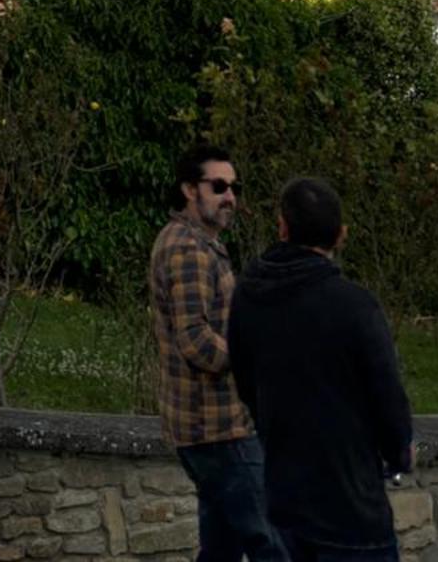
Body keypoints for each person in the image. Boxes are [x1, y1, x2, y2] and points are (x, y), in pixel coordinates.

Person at [229, 177, 414, 562]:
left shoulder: (248, 293)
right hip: (350, 509)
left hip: (283, 497)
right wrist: (399, 454)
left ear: (282, 226)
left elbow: (246, 382)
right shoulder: (355, 306)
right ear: (341, 235)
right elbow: (388, 398)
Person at [150, 143, 284, 562]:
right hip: (218, 430)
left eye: (233, 187)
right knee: (275, 545)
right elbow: (197, 342)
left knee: (223, 549)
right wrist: (257, 361)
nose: (230, 196)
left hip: (211, 428)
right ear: (190, 190)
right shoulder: (187, 249)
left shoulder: (200, 243)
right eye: (219, 186)